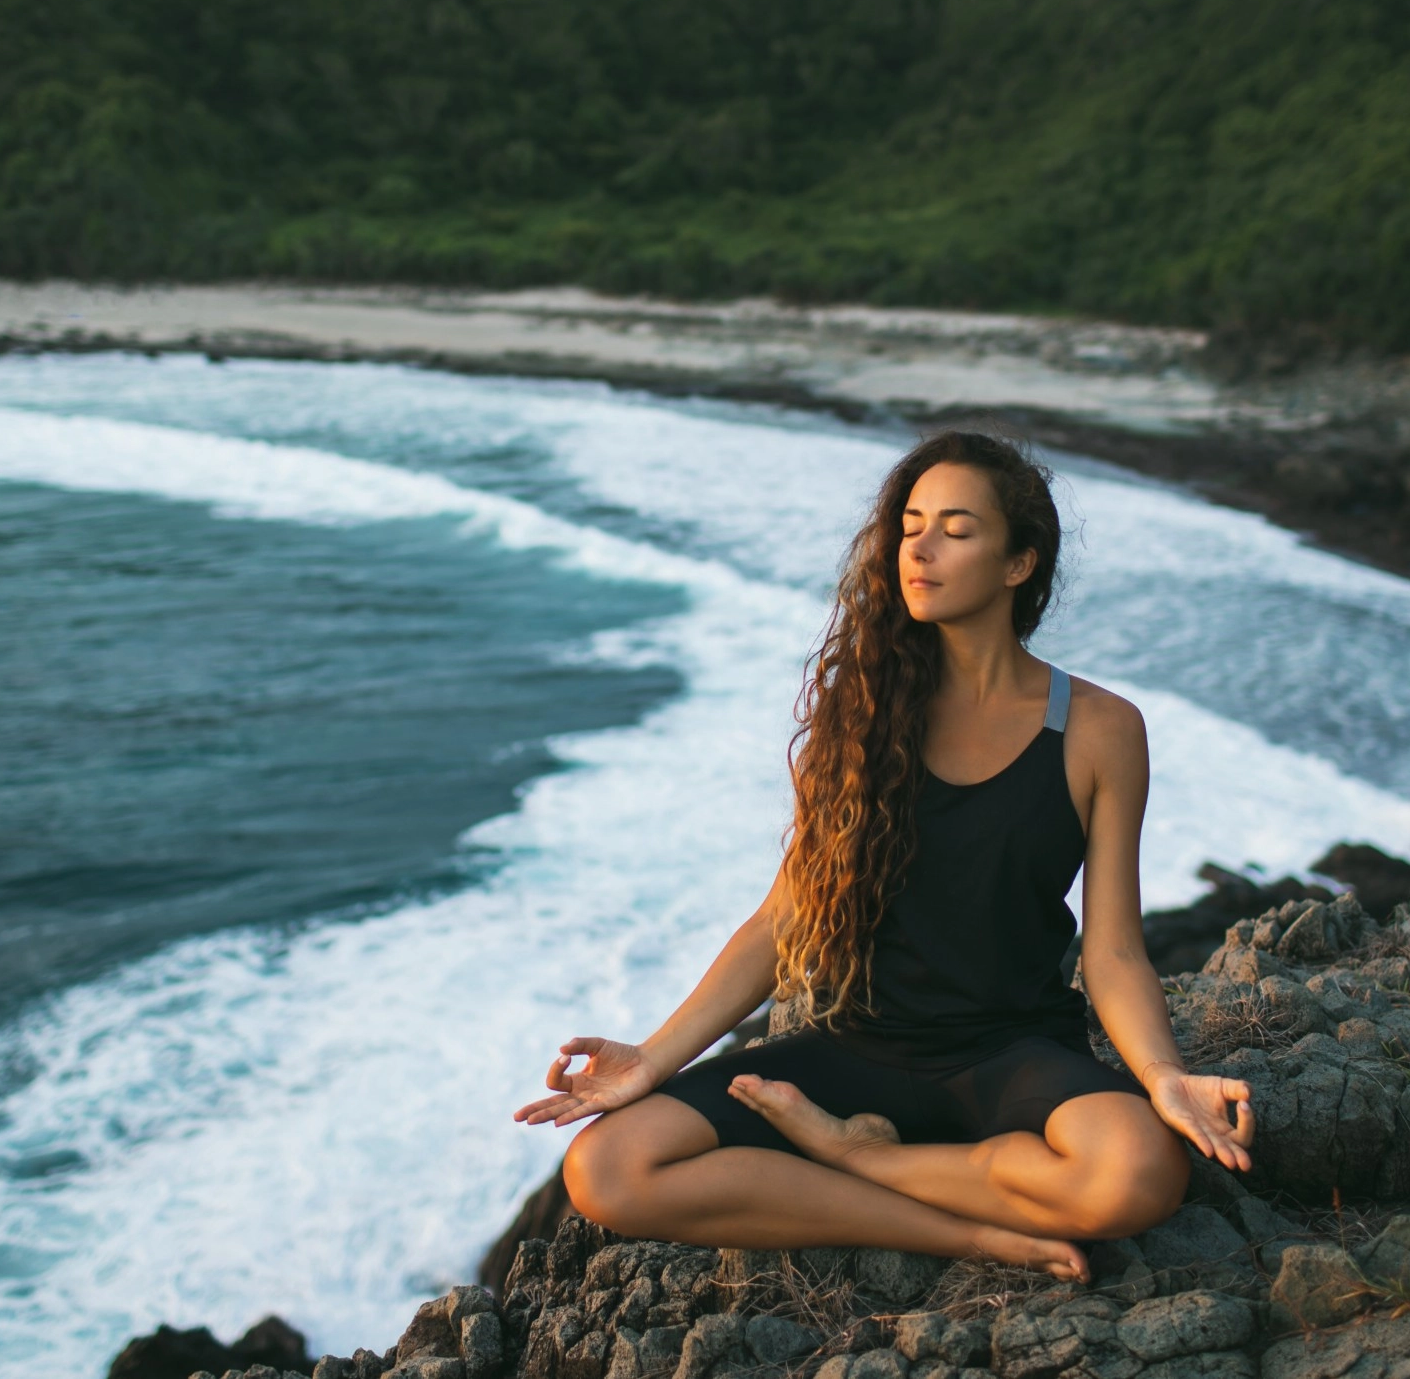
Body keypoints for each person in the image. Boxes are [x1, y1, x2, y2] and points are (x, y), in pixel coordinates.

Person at [513, 431, 1254, 1281]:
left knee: (1139, 1174)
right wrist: (651, 1059)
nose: (921, 550)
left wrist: (1162, 1076)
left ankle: (861, 1159)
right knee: (606, 1171)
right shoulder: (863, 714)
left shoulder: (1098, 729)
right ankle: (963, 1229)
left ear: (1019, 564)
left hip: (1010, 1055)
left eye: (956, 529)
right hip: (857, 1049)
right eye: (910, 526)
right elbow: (783, 916)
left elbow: (1113, 946)